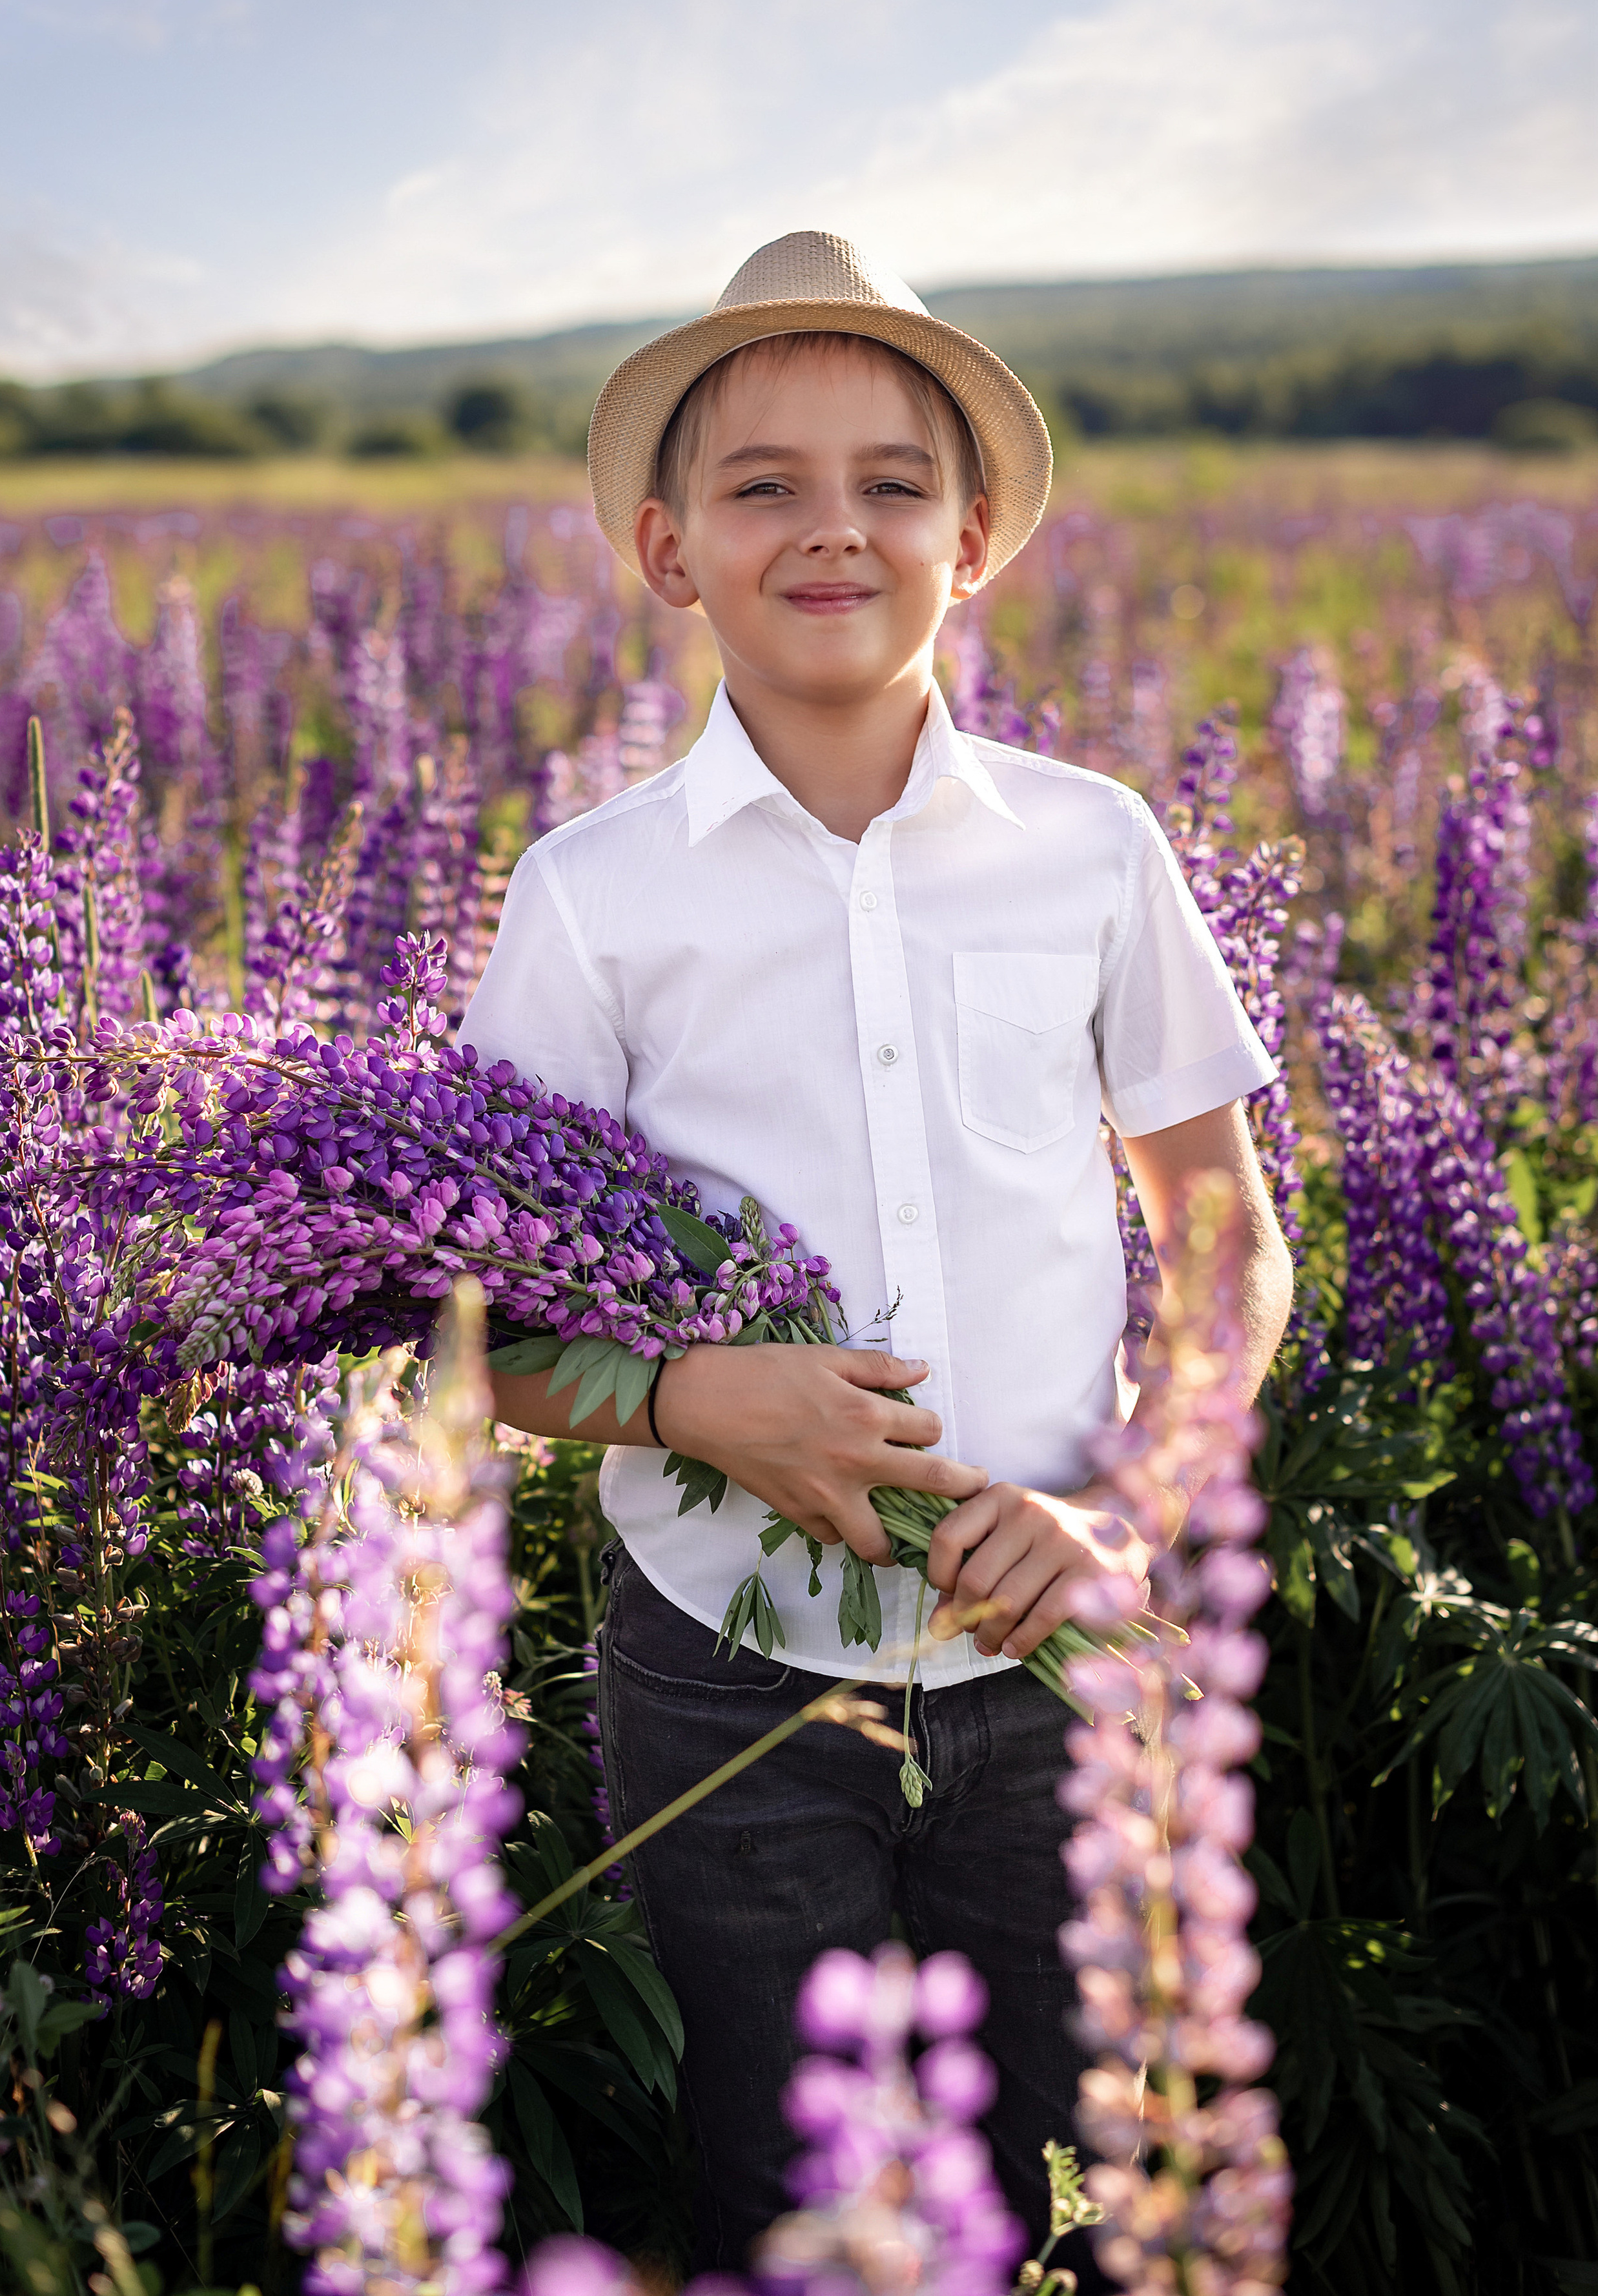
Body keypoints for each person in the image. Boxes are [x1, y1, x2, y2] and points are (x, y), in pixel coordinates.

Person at [464, 230, 1293, 2278]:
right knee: (784, 2197)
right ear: (671, 550)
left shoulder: (1094, 844)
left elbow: (1225, 1232)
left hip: (1056, 1631)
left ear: (976, 534)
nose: (830, 528)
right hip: (717, 1660)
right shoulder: (591, 900)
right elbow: (475, 1333)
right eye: (762, 486)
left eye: (890, 483)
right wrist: (681, 1399)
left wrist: (1145, 1497)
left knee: (1093, 2181)